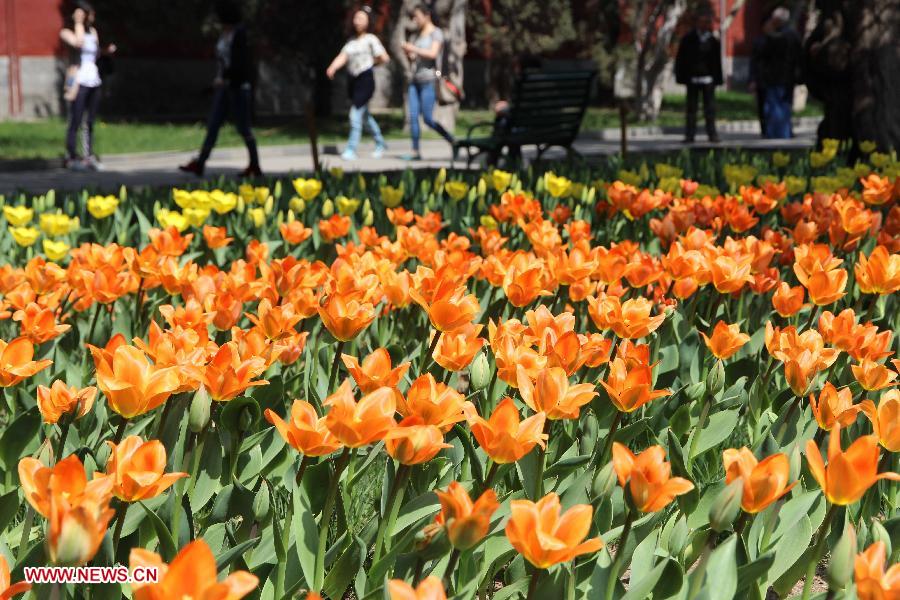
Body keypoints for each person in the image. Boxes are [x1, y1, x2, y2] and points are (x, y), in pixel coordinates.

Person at [180, 0, 261, 178]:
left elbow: (240, 63)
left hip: (238, 87)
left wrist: (225, 78)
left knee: (244, 128)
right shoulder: (224, 34)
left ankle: (255, 165)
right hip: (223, 88)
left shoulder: (240, 34)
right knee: (213, 125)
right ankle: (200, 163)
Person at [326, 7, 390, 161]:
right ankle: (380, 142)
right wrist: (333, 67)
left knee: (355, 115)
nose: (357, 21)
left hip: (365, 80)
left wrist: (370, 63)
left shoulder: (371, 39)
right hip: (353, 81)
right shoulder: (351, 42)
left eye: (361, 18)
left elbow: (384, 57)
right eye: (356, 18)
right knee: (365, 116)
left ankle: (351, 149)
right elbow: (343, 56)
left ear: (368, 21)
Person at [59, 1, 116, 171]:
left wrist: (106, 52)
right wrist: (77, 23)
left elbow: (95, 52)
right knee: (75, 119)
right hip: (78, 80)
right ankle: (71, 156)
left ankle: (87, 155)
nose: (88, 17)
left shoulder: (93, 31)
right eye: (84, 13)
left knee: (89, 120)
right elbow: (78, 43)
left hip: (93, 79)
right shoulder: (67, 31)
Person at [399, 3, 455, 161]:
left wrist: (413, 49)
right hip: (414, 80)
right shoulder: (418, 35)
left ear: (426, 16)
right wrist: (410, 54)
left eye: (417, 16)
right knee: (413, 116)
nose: (415, 20)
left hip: (429, 81)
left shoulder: (436, 33)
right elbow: (418, 57)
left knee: (428, 119)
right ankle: (415, 151)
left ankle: (452, 140)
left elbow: (432, 53)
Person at [750, 8, 802, 139]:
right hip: (781, 78)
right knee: (778, 106)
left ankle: (778, 133)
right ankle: (780, 132)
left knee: (777, 107)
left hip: (777, 78)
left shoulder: (780, 36)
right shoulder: (791, 35)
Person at [674, 7, 723, 143]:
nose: (705, 25)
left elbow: (717, 62)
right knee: (691, 108)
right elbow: (681, 59)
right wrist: (681, 76)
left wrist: (717, 79)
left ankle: (712, 134)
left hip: (708, 80)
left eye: (707, 22)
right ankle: (690, 135)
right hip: (692, 79)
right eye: (702, 22)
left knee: (710, 108)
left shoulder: (713, 41)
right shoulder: (688, 39)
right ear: (697, 23)